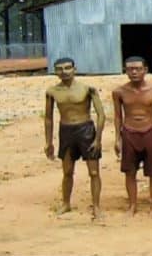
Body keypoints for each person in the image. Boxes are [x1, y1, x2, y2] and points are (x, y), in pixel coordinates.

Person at [43, 57, 106, 220]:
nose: (64, 72)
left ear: (74, 69)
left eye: (67, 68)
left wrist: (98, 139)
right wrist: (48, 141)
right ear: (55, 72)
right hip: (66, 131)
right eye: (59, 69)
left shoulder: (87, 89)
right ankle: (66, 203)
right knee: (67, 171)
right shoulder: (52, 92)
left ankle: (96, 206)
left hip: (85, 129)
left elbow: (101, 115)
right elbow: (48, 118)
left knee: (93, 172)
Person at [112, 56, 152, 218]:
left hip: (151, 131)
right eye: (130, 69)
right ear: (125, 71)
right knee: (129, 171)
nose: (134, 72)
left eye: (138, 68)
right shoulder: (119, 92)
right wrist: (118, 138)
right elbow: (117, 116)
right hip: (129, 132)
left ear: (145, 70)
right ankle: (132, 206)